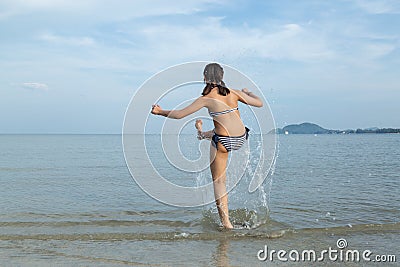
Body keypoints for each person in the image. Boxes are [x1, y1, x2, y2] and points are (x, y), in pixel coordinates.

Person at [151, 63, 263, 228]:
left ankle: (226, 224)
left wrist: (160, 112)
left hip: (223, 142)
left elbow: (180, 115)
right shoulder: (234, 93)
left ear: (204, 77)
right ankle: (202, 133)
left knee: (219, 182)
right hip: (241, 137)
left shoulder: (206, 99)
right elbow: (259, 103)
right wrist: (247, 92)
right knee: (218, 130)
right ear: (222, 76)